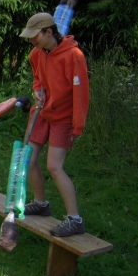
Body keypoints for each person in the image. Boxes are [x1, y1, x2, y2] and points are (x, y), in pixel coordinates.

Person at [19, 12, 90, 237]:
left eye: (34, 36)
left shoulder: (74, 56)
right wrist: (36, 89)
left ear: (49, 32)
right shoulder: (36, 53)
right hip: (42, 111)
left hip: (64, 117)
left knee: (54, 166)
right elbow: (38, 77)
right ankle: (40, 203)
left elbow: (81, 93)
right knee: (28, 159)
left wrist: (78, 125)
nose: (31, 40)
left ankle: (75, 220)